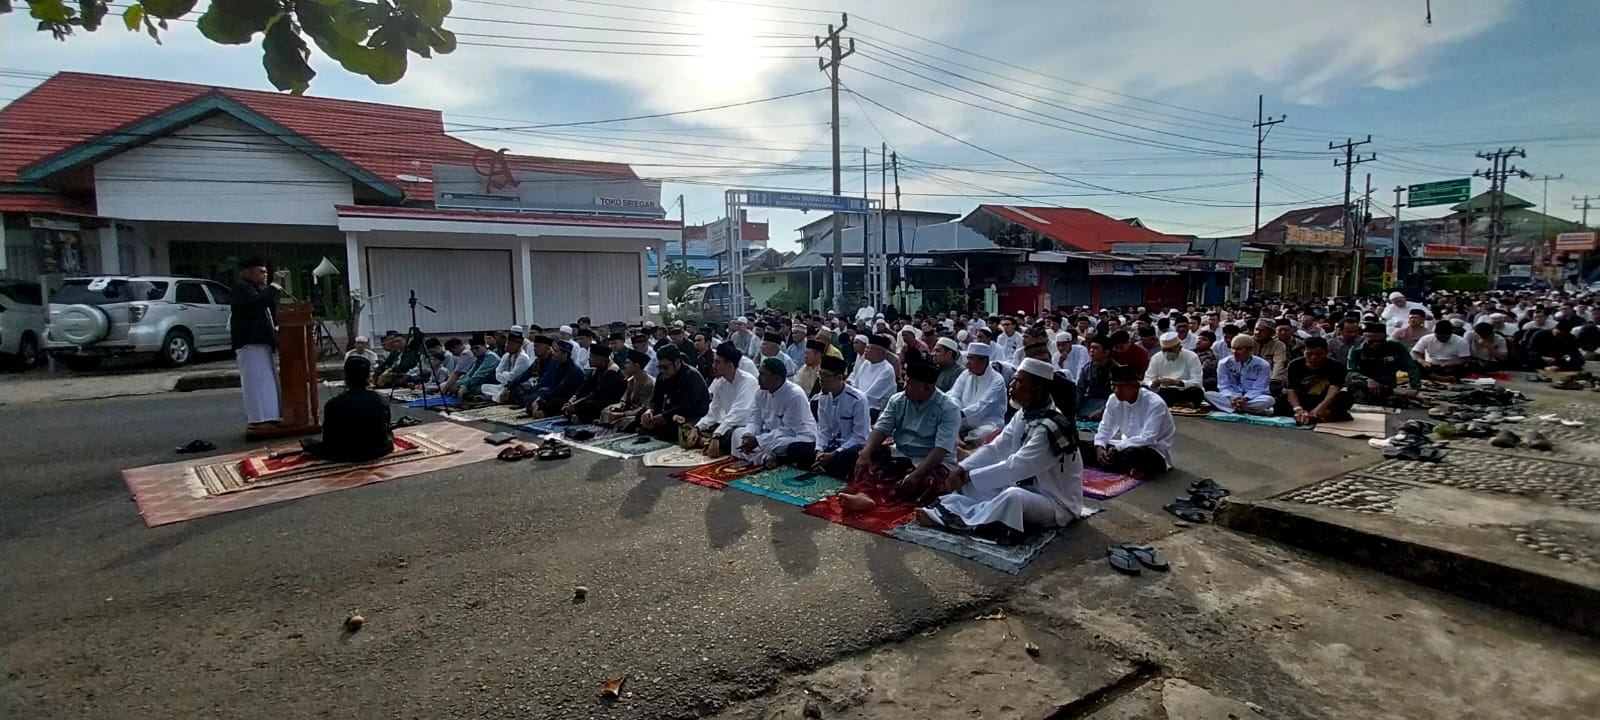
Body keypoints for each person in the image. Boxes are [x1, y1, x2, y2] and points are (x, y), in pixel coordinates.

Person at [918, 358, 1084, 536]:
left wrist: (969, 476)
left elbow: (1017, 466)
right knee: (971, 485)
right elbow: (997, 447)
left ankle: (954, 517)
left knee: (1013, 497)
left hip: (1056, 504)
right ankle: (972, 511)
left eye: (1019, 381)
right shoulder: (1025, 413)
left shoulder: (1051, 428)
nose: (1011, 385)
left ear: (1038, 390)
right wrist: (963, 468)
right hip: (1026, 488)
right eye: (1013, 379)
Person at [836, 362, 962, 513]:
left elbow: (940, 449)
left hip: (930, 461)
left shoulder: (948, 408)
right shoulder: (898, 400)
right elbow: (881, 428)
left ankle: (870, 498)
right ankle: (865, 495)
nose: (905, 386)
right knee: (866, 459)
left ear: (927, 387)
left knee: (928, 483)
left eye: (910, 383)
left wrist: (917, 474)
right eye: (906, 381)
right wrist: (866, 453)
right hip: (900, 453)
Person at [300, 356, 394, 463]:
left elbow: (329, 437)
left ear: (345, 376)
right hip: (378, 450)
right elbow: (386, 424)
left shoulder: (333, 404)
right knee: (389, 435)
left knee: (308, 443)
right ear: (368, 377)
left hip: (343, 453)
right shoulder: (379, 399)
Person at [1090, 364, 1175, 478]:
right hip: (1123, 445)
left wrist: (1117, 449)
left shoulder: (1155, 403)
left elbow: (1148, 438)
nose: (1116, 390)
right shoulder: (1113, 400)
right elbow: (1106, 427)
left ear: (1134, 386)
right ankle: (1124, 466)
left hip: (1152, 450)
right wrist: (1099, 447)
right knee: (1084, 447)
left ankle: (1125, 465)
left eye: (1121, 386)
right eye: (1113, 386)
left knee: (1132, 454)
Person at [230, 259, 287, 430]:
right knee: (255, 383)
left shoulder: (258, 289)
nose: (265, 274)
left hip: (262, 343)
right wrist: (275, 285)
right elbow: (257, 304)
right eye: (260, 271)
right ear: (248, 272)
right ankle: (258, 420)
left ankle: (270, 417)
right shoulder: (242, 288)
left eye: (265, 271)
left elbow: (268, 311)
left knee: (266, 383)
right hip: (250, 343)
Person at [733, 357, 820, 468]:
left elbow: (789, 430)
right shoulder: (760, 392)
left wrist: (758, 440)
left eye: (763, 375)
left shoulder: (794, 395)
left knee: (780, 444)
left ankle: (763, 457)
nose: (758, 378)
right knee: (737, 433)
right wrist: (749, 435)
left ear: (776, 378)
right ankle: (766, 458)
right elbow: (754, 420)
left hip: (797, 436)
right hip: (769, 434)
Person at [690, 343, 759, 458]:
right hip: (727, 424)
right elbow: (713, 412)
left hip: (745, 426)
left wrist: (717, 435)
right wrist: (697, 428)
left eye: (717, 362)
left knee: (733, 434)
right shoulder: (720, 383)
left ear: (730, 365)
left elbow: (738, 413)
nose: (713, 365)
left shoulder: (748, 381)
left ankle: (710, 443)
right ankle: (709, 442)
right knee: (692, 426)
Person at [813, 355, 872, 479]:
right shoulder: (823, 397)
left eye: (826, 376)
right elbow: (823, 429)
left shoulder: (857, 399)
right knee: (798, 448)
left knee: (846, 456)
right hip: (832, 444)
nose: (821, 379)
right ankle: (822, 463)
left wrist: (835, 453)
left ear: (839, 377)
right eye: (820, 374)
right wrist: (819, 450)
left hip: (849, 446)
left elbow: (860, 436)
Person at [639, 345, 710, 442]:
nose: (662, 371)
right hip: (669, 413)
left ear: (677, 363)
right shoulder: (662, 376)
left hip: (691, 414)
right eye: (660, 367)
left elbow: (686, 406)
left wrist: (663, 417)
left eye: (665, 367)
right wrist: (650, 411)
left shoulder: (691, 376)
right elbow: (656, 398)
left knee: (674, 428)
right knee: (641, 415)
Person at [1277, 336, 1352, 425]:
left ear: (1326, 352)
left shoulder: (1337, 366)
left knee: (1345, 398)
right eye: (1309, 354)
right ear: (1303, 352)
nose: (1313, 358)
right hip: (1304, 398)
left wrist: (1319, 408)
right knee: (1280, 402)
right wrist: (1298, 408)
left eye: (1318, 354)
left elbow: (1334, 390)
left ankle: (1323, 414)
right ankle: (1314, 416)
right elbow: (1291, 390)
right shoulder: (1294, 365)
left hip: (1325, 400)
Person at [1345, 322, 1422, 406]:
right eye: (1371, 341)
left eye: (1380, 341)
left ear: (1386, 337)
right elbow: (1351, 371)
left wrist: (1415, 387)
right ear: (1364, 337)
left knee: (1399, 402)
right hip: (1364, 386)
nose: (1376, 344)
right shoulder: (1356, 350)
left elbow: (1411, 367)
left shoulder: (1396, 347)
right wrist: (1367, 380)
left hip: (1389, 386)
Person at [948, 342, 1008, 443]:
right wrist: (955, 409)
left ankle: (963, 442)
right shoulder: (966, 374)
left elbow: (983, 406)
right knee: (944, 421)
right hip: (962, 417)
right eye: (968, 358)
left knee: (985, 433)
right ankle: (958, 438)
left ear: (983, 360)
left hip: (986, 421)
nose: (967, 363)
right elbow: (954, 394)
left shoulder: (997, 380)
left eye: (971, 359)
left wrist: (960, 413)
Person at [1205, 334, 1274, 415]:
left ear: (1250, 350)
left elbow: (1260, 388)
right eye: (1232, 348)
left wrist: (1245, 399)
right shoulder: (1224, 363)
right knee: (1208, 395)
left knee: (1269, 400)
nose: (1234, 352)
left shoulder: (1263, 365)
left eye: (1239, 349)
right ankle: (1250, 410)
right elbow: (1223, 386)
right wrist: (1232, 398)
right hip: (1231, 397)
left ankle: (1234, 408)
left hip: (1251, 398)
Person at [563, 345, 626, 423]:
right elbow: (585, 388)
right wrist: (572, 400)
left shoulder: (612, 372)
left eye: (592, 357)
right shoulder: (596, 370)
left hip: (610, 402)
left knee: (586, 405)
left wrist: (577, 404)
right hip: (596, 398)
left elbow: (599, 394)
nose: (589, 359)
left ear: (601, 359)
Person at [598, 349, 656, 431]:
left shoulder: (649, 384)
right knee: (606, 410)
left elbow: (644, 408)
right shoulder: (631, 380)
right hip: (629, 410)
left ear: (637, 365)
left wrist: (622, 414)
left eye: (628, 363)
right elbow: (624, 400)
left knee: (630, 421)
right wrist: (615, 408)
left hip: (640, 413)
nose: (625, 366)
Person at [526, 340, 585, 419]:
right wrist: (540, 398)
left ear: (565, 354)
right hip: (558, 395)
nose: (553, 353)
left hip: (568, 399)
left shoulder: (573, 371)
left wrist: (541, 401)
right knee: (537, 395)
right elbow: (552, 386)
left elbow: (560, 390)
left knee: (551, 403)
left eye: (556, 351)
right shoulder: (559, 366)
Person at [1143, 331, 1205, 408]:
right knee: (1143, 389)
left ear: (1179, 347)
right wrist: (1152, 383)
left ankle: (1172, 403)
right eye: (1164, 350)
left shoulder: (1191, 357)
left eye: (1170, 350)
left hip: (1183, 391)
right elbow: (1147, 379)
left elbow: (1197, 382)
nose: (1167, 353)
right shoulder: (1157, 357)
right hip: (1164, 391)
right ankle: (1178, 404)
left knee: (1197, 392)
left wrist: (1178, 383)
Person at [848, 333, 898, 418]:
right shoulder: (866, 363)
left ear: (878, 352)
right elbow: (855, 382)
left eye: (868, 348)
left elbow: (871, 396)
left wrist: (853, 401)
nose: (865, 350)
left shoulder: (887, 370)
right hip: (858, 400)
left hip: (874, 408)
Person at [480, 332, 533, 405]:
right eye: (507, 343)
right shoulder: (507, 355)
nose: (507, 346)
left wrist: (504, 374)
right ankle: (498, 397)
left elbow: (512, 378)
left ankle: (495, 398)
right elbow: (497, 374)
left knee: (513, 391)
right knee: (484, 387)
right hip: (505, 385)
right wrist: (505, 375)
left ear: (519, 345)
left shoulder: (523, 358)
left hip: (520, 386)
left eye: (510, 344)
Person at [446, 334, 500, 399]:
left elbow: (479, 374)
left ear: (484, 346)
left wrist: (466, 385)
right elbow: (469, 373)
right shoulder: (478, 359)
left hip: (492, 384)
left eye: (477, 348)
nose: (474, 351)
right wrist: (463, 384)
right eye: (472, 349)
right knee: (456, 387)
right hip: (479, 384)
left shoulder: (491, 357)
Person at [1077, 336, 1116, 421]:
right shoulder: (1087, 368)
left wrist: (1103, 410)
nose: (1091, 351)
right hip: (1089, 402)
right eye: (1090, 347)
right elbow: (1080, 389)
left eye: (1095, 348)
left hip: (1108, 403)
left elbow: (1117, 395)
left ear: (1106, 352)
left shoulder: (1116, 369)